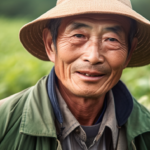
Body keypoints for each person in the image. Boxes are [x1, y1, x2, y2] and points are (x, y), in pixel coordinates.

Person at [0, 0, 150, 149]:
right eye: (78, 36)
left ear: (129, 52)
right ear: (50, 44)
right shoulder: (4, 123)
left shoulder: (146, 131)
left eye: (111, 39)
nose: (93, 56)